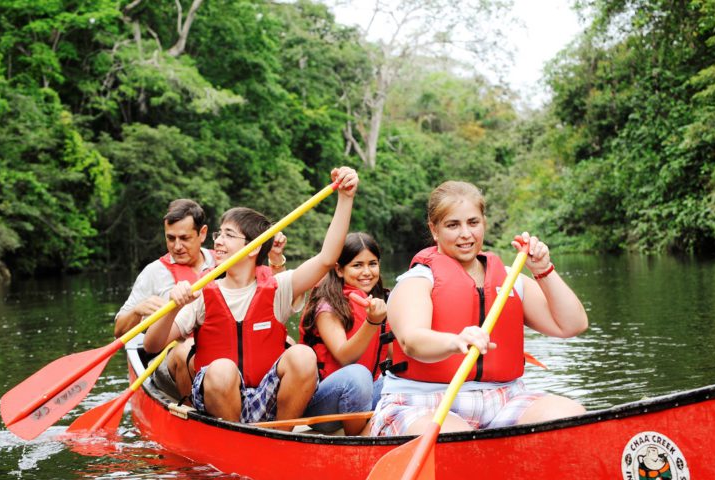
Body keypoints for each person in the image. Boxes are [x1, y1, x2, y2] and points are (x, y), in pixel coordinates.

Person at [143, 167, 359, 430]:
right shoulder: (202, 292)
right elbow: (152, 346)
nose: (218, 242)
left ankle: (280, 439)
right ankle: (235, 441)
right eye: (218, 234)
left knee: (302, 355)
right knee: (221, 368)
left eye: (228, 235)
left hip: (265, 397)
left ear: (254, 247)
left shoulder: (279, 287)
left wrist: (345, 198)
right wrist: (173, 308)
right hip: (219, 399)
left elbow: (326, 259)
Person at [370, 180, 588, 437]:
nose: (466, 234)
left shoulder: (510, 279)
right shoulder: (417, 281)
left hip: (503, 400)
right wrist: (455, 341)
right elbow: (412, 342)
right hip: (423, 402)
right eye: (453, 225)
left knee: (570, 416)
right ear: (435, 229)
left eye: (473, 222)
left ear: (483, 222)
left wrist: (543, 270)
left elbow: (572, 325)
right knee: (458, 440)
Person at [114, 198, 288, 402]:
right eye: (170, 238)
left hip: (222, 351)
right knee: (185, 350)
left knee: (287, 342)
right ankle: (194, 413)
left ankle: (259, 403)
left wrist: (276, 259)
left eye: (184, 238)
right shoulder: (153, 273)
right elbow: (119, 331)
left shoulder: (227, 259)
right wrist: (137, 311)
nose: (177, 246)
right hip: (168, 355)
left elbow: (271, 290)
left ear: (202, 233)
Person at [299, 232, 392, 435]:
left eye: (372, 264)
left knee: (404, 380)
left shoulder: (382, 301)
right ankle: (359, 440)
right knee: (358, 375)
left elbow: (397, 353)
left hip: (366, 395)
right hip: (325, 406)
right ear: (339, 270)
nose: (367, 272)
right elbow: (345, 357)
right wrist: (372, 322)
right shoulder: (327, 306)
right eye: (357, 265)